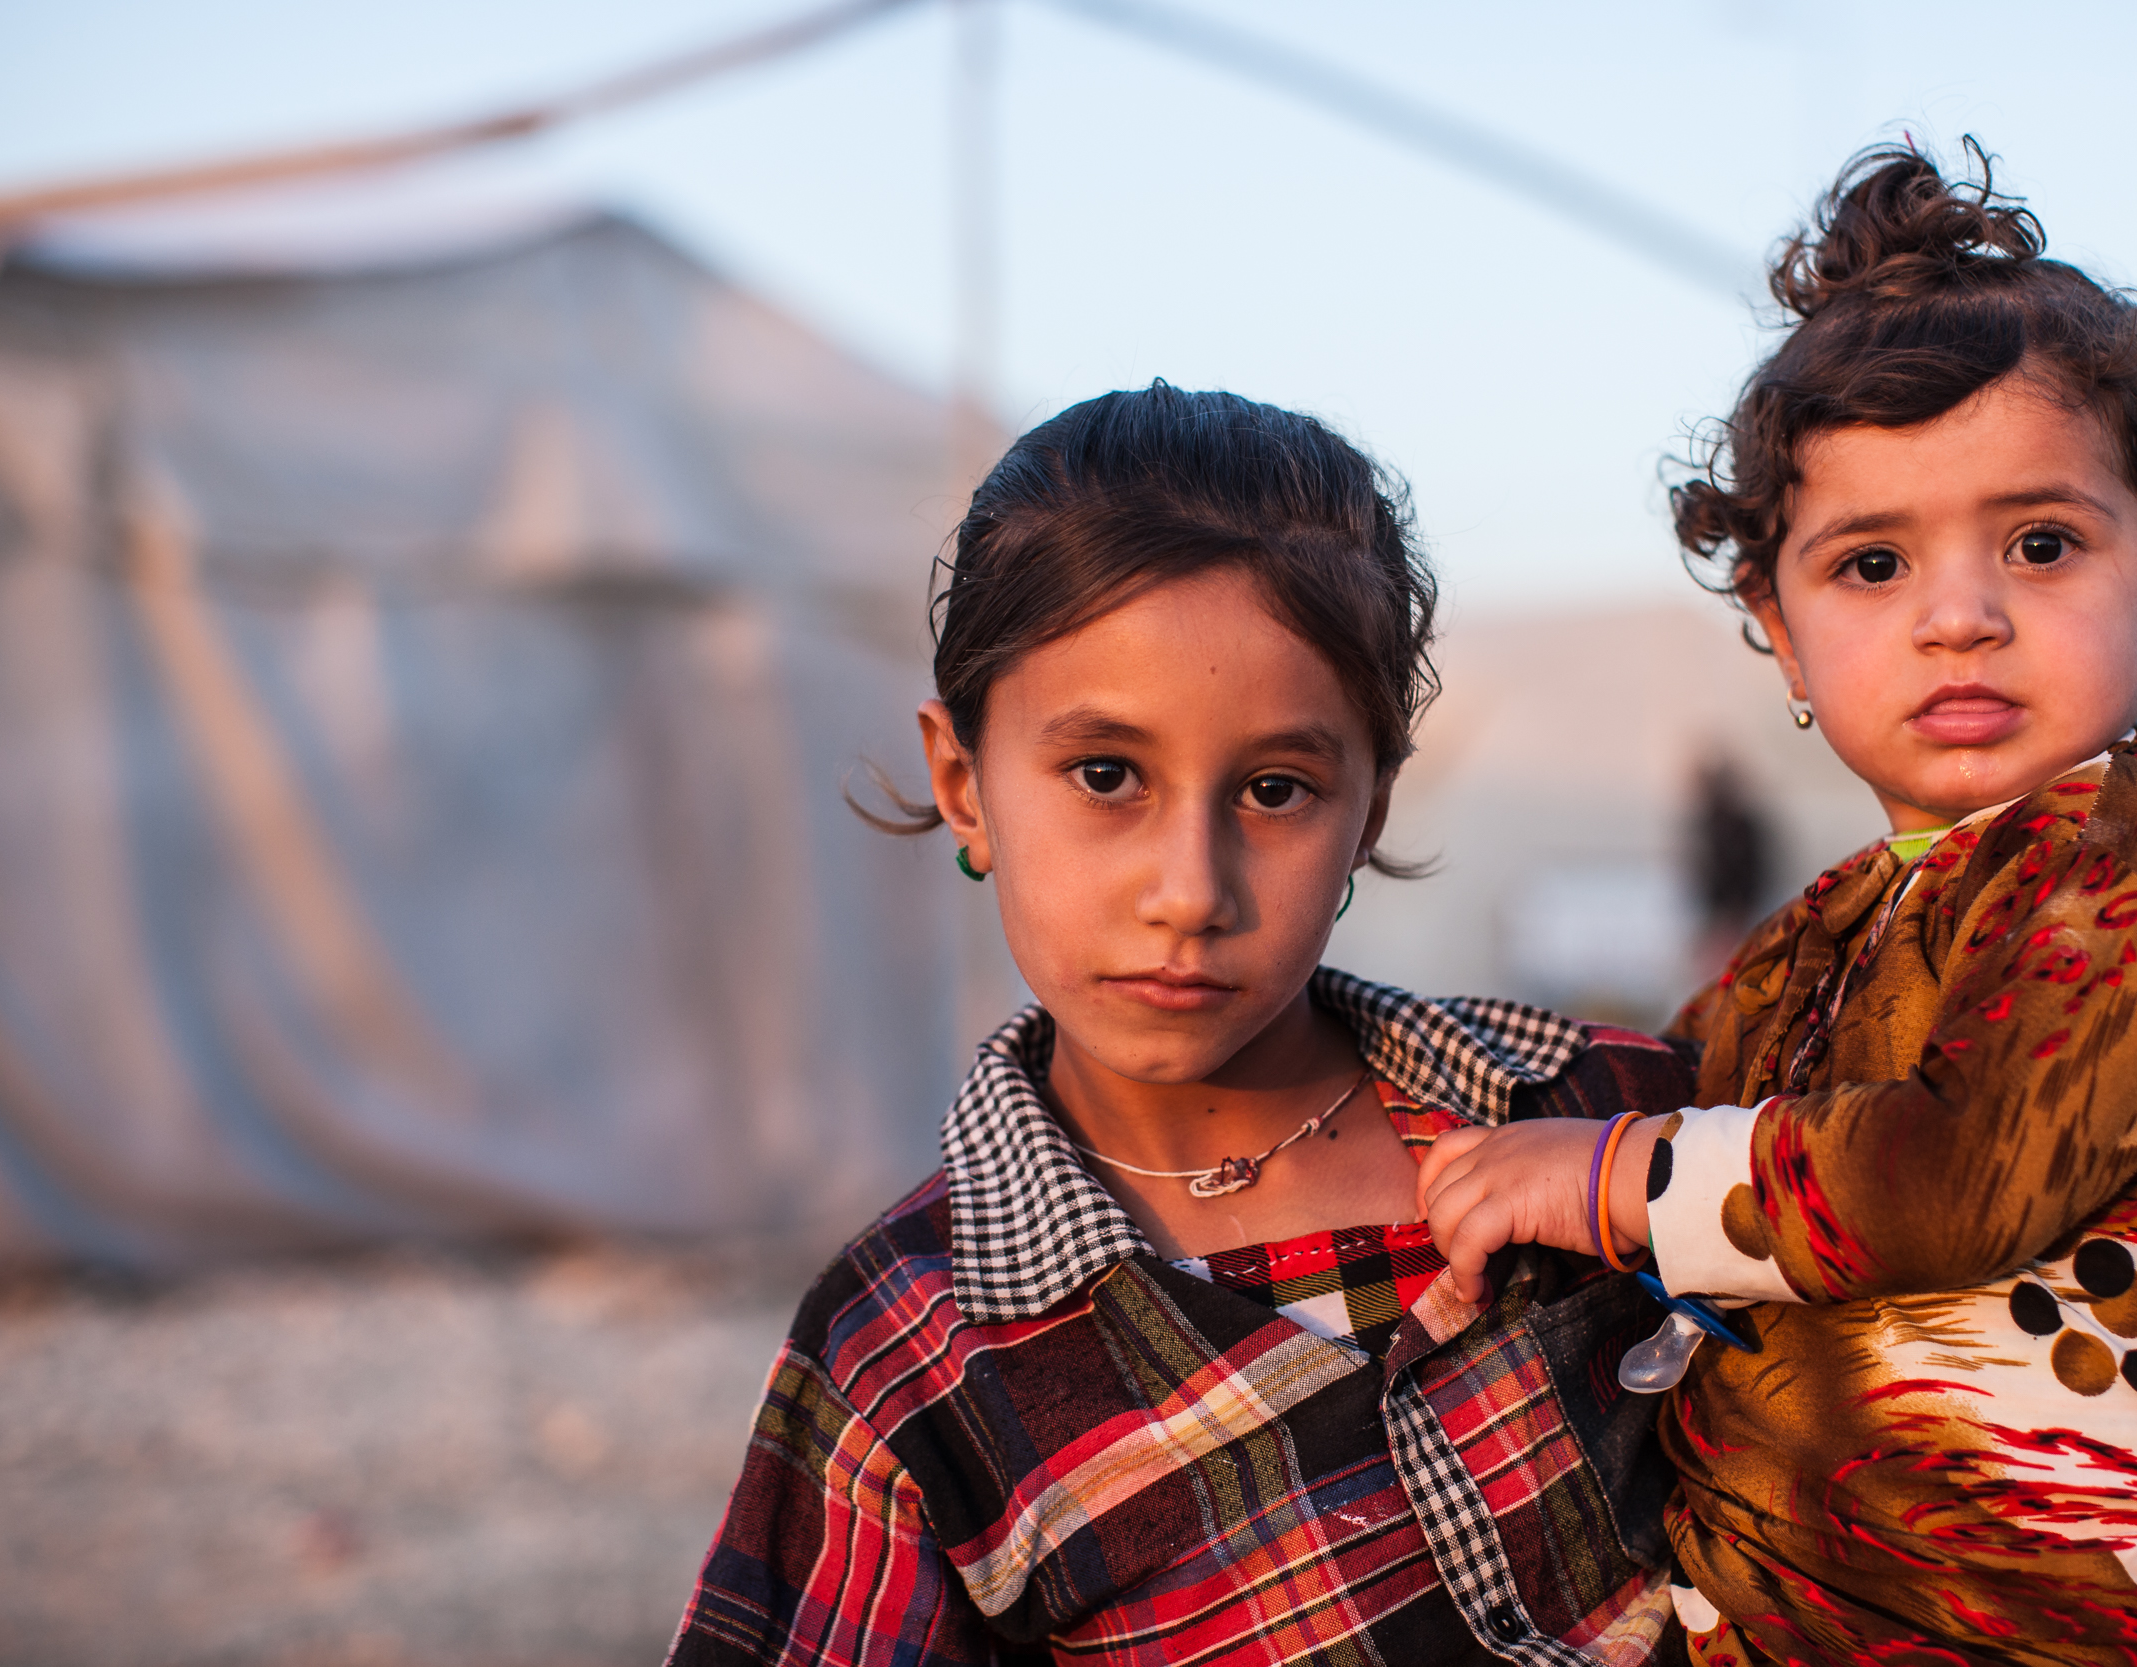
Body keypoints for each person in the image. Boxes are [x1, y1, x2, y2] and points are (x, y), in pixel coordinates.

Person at [1416, 143, 2137, 1664]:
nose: (1960, 614)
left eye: (2042, 543)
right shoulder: (1834, 921)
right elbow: (1665, 1087)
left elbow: (1953, 1176)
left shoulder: (2126, 852)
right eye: (1872, 562)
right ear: (1781, 633)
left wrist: (1605, 1174)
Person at [665, 383, 1700, 1665]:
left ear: (1367, 814)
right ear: (963, 786)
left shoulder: (1608, 1114)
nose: (1190, 890)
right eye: (1105, 776)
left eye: (1275, 789)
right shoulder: (913, 1355)